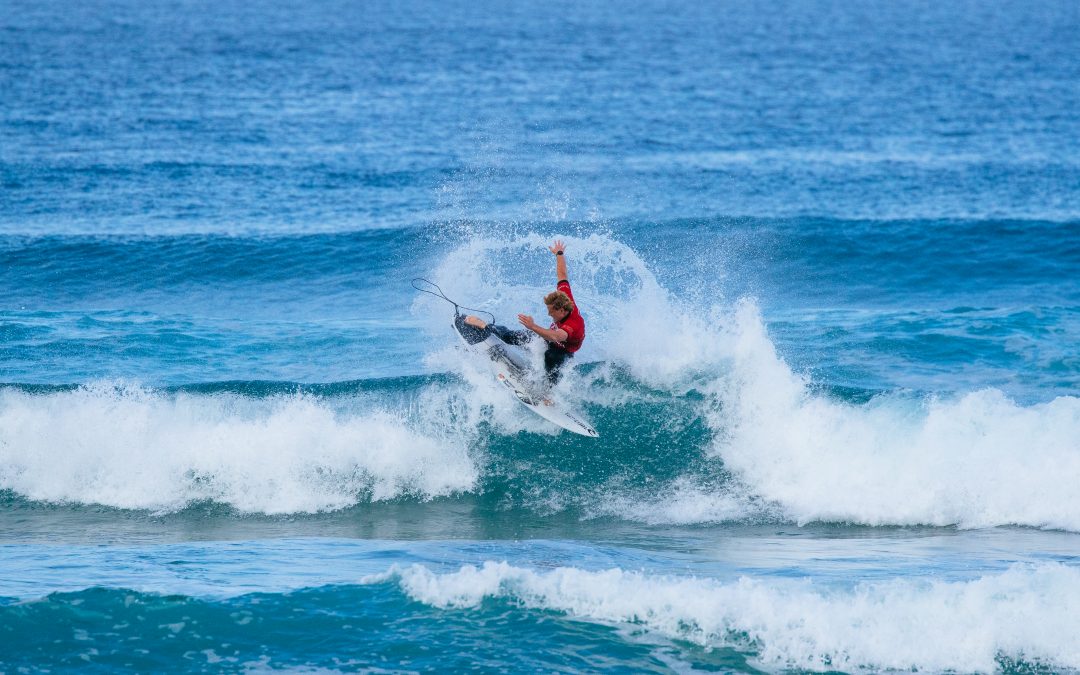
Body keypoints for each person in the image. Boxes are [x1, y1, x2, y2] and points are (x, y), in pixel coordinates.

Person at [464, 240, 586, 384]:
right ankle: (483, 325)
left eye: (551, 312)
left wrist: (533, 326)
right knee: (510, 336)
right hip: (547, 338)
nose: (549, 314)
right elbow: (562, 275)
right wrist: (559, 253)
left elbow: (556, 336)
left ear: (561, 310)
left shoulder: (574, 325)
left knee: (551, 357)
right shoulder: (564, 296)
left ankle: (548, 391)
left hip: (562, 352)